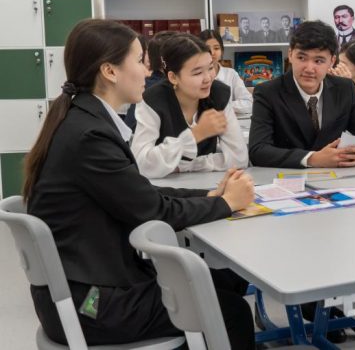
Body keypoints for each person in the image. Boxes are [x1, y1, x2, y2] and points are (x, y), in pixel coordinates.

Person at [23, 19, 256, 349]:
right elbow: (152, 209)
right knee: (231, 312)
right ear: (110, 71)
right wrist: (226, 203)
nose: (148, 71)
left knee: (224, 281)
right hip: (91, 303)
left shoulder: (84, 118)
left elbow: (137, 192)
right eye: (139, 60)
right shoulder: (90, 135)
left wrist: (208, 194)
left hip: (89, 285)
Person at [248, 20, 355, 169]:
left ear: (332, 61)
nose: (309, 68)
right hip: (288, 177)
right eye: (301, 58)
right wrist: (312, 159)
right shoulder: (267, 92)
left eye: (319, 61)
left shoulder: (344, 88)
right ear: (290, 55)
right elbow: (258, 151)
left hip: (338, 176)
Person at [131, 34, 248, 178]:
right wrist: (195, 135)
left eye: (210, 68)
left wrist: (185, 166)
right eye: (197, 73)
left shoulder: (218, 94)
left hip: (208, 183)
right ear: (173, 77)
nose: (208, 78)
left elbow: (239, 158)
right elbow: (141, 165)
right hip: (162, 187)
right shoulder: (153, 100)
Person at [199, 29, 253, 115]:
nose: (212, 53)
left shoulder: (231, 74)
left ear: (222, 51)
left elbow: (249, 103)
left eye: (216, 48)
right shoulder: (195, 77)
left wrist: (224, 106)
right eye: (207, 49)